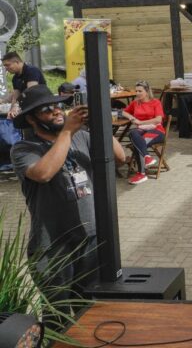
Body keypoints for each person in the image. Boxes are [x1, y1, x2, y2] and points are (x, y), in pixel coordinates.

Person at [10, 85, 126, 307]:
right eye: (46, 109)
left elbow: (120, 158)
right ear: (31, 119)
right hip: (53, 246)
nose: (56, 111)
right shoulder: (25, 148)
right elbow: (43, 173)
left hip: (89, 240)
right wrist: (66, 132)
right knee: (58, 314)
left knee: (88, 310)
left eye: (57, 106)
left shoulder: (81, 136)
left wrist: (100, 125)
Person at [121, 81, 165, 185]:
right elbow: (124, 112)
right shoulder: (135, 103)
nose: (137, 93)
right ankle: (147, 157)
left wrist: (140, 122)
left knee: (139, 143)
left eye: (140, 91)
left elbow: (158, 119)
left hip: (156, 131)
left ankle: (141, 174)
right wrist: (131, 118)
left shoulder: (155, 102)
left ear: (147, 91)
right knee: (132, 133)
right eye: (136, 91)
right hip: (141, 131)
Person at [3, 51, 46, 119]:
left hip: (42, 106)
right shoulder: (15, 78)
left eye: (7, 65)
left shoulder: (32, 71)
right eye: (5, 66)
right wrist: (11, 111)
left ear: (16, 62)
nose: (6, 68)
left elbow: (31, 92)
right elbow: (16, 96)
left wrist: (17, 105)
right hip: (28, 108)